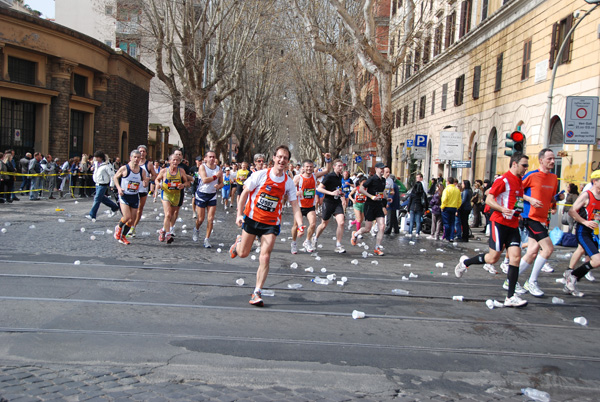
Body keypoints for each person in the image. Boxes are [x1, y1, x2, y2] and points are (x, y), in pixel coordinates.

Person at [229, 145, 302, 307]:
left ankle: (257, 292)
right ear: (274, 159)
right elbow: (244, 194)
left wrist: (301, 224)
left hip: (271, 223)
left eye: (285, 158)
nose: (282, 160)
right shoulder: (261, 175)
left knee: (265, 256)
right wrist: (239, 214)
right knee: (242, 254)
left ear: (288, 162)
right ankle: (238, 243)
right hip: (253, 218)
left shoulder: (288, 183)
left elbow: (295, 205)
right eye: (279, 157)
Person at [454, 152, 530, 307]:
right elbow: (489, 199)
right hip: (499, 223)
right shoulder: (503, 180)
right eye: (524, 165)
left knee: (515, 258)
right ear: (514, 164)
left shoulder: (520, 182)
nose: (526, 168)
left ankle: (510, 297)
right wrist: (502, 209)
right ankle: (465, 262)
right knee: (492, 258)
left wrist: (518, 213)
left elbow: (518, 200)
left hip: (513, 224)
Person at [519, 149, 563, 298]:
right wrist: (529, 199)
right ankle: (532, 281)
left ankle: (510, 280)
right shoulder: (531, 175)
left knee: (531, 252)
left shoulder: (553, 178)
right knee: (548, 249)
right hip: (531, 217)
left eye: (553, 159)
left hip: (543, 218)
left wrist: (557, 200)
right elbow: (517, 191)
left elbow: (549, 198)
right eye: (549, 159)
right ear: (541, 160)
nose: (552, 161)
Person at [564, 170, 600, 297]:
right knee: (596, 260)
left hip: (595, 232)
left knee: (595, 261)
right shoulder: (587, 195)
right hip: (583, 231)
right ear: (595, 182)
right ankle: (572, 276)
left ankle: (571, 277)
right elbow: (571, 211)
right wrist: (585, 222)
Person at [290, 154, 332, 254]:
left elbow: (327, 170)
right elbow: (289, 191)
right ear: (303, 168)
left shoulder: (314, 176)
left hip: (310, 206)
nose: (309, 169)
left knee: (313, 224)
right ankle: (294, 243)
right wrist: (296, 193)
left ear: (313, 168)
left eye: (311, 167)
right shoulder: (298, 178)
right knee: (296, 226)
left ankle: (307, 241)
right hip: (299, 206)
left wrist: (328, 159)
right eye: (307, 167)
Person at [350, 162, 387, 255]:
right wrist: (371, 196)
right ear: (376, 169)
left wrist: (386, 197)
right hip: (370, 205)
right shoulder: (371, 179)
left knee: (382, 226)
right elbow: (361, 189)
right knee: (367, 228)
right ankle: (355, 234)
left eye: (383, 168)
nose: (382, 170)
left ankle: (377, 247)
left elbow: (382, 192)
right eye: (381, 168)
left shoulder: (383, 180)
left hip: (378, 205)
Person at [113, 150, 149, 245]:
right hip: (124, 196)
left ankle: (123, 236)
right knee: (127, 217)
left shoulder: (142, 171)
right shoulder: (124, 168)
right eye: (135, 157)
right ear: (131, 158)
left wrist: (145, 183)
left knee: (132, 220)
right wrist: (119, 188)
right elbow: (115, 177)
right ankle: (118, 227)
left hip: (134, 196)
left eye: (138, 157)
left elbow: (145, 181)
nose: (137, 159)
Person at [314, 159, 347, 253]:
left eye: (342, 166)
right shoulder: (329, 176)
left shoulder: (340, 177)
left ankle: (338, 245)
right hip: (328, 202)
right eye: (339, 166)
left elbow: (338, 189)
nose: (341, 168)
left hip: (337, 203)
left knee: (341, 222)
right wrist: (331, 193)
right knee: (324, 224)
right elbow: (319, 188)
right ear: (334, 167)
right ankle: (315, 238)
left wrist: (342, 195)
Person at [155, 153, 190, 244]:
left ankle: (163, 230)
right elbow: (157, 179)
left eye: (177, 160)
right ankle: (168, 234)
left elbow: (187, 183)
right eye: (173, 160)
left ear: (179, 162)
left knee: (172, 214)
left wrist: (183, 185)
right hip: (166, 194)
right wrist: (158, 184)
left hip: (176, 195)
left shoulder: (181, 171)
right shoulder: (164, 171)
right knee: (167, 214)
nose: (175, 161)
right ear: (169, 161)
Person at [193, 150, 223, 248]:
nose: (212, 159)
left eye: (213, 157)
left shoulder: (218, 168)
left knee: (210, 219)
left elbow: (222, 182)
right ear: (205, 158)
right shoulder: (202, 167)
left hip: (212, 195)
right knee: (201, 219)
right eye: (210, 157)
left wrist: (219, 186)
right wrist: (215, 176)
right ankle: (196, 229)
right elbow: (205, 180)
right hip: (202, 194)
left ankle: (207, 239)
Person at [127, 145, 157, 238]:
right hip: (132, 189)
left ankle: (133, 227)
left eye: (144, 151)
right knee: (131, 210)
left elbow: (154, 175)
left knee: (139, 209)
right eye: (140, 151)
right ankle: (129, 225)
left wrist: (148, 179)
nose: (142, 153)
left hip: (143, 189)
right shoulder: (131, 163)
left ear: (146, 153)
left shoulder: (149, 164)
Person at [86, 151, 119, 221]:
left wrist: (112, 185)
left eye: (97, 157)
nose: (95, 158)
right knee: (101, 198)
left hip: (103, 184)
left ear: (100, 158)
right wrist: (92, 168)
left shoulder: (107, 165)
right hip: (97, 183)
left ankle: (92, 215)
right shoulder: (96, 163)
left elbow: (112, 175)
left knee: (97, 198)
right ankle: (114, 207)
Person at [440, 177, 461, 241]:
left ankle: (447, 236)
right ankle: (452, 237)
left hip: (446, 207)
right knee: (452, 222)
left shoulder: (447, 189)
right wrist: (457, 207)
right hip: (454, 207)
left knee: (446, 223)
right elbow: (459, 201)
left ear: (448, 182)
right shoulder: (457, 190)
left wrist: (442, 207)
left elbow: (444, 199)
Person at [407, 173, 427, 237]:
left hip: (412, 207)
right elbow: (425, 201)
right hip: (419, 208)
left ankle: (410, 232)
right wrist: (425, 208)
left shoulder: (413, 193)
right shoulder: (422, 193)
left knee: (412, 221)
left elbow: (410, 201)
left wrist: (408, 208)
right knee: (418, 221)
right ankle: (417, 233)